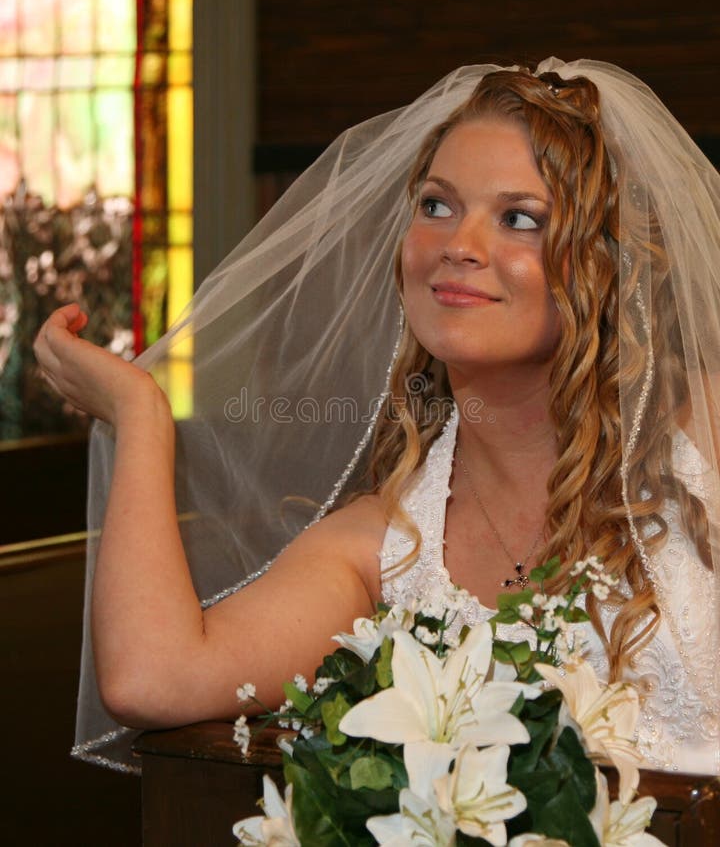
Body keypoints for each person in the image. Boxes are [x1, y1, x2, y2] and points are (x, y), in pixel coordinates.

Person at [34, 58, 719, 776]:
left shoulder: (705, 436)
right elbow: (153, 678)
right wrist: (142, 414)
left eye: (520, 219)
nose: (458, 245)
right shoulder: (383, 548)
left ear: (606, 266)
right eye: (436, 205)